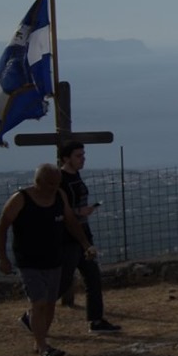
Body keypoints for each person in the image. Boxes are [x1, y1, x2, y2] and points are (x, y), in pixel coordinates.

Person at [0, 164, 93, 356]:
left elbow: (70, 221)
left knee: (49, 304)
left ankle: (40, 340)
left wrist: (85, 244)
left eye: (57, 184)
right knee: (38, 303)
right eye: (50, 184)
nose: (53, 188)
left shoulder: (59, 196)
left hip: (54, 259)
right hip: (29, 261)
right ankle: (43, 348)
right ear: (38, 181)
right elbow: (2, 226)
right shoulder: (20, 199)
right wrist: (2, 257)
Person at [56, 140, 120, 333]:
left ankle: (96, 320)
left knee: (92, 277)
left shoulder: (75, 175)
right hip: (68, 237)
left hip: (84, 232)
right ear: (66, 158)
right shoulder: (61, 180)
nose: (83, 159)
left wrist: (84, 211)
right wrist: (79, 211)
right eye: (78, 156)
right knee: (63, 282)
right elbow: (59, 210)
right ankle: (34, 313)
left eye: (83, 155)